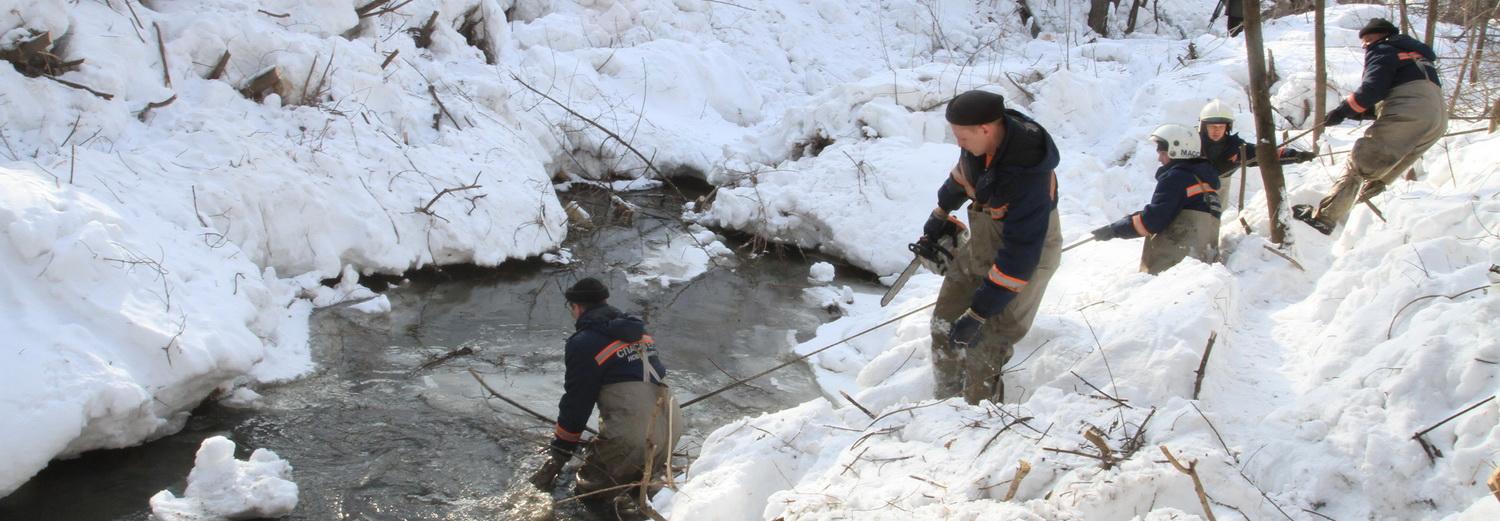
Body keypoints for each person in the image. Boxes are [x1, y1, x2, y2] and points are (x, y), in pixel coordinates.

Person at [917, 89, 1063, 406]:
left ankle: (977, 417)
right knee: (945, 323)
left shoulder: (1027, 177)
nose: (959, 144)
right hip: (985, 243)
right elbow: (961, 177)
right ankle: (944, 404)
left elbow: (1020, 258)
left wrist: (979, 312)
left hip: (1026, 257)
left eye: (962, 137)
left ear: (985, 129)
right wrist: (939, 215)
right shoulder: (978, 147)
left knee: (985, 340)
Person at [530, 277, 682, 518]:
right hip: (669, 431)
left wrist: (561, 448)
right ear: (605, 301)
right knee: (633, 491)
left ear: (577, 307)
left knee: (587, 496)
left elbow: (577, 402)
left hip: (633, 436)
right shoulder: (640, 332)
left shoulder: (584, 342)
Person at [1293, 18, 1447, 235]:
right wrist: (1358, 112)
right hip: (1437, 119)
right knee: (1384, 172)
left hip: (1410, 112)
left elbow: (1372, 90)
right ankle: (1365, 225)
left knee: (1360, 163)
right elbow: (1399, 94)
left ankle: (1324, 219)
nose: (1367, 46)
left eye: (1369, 40)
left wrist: (1342, 111)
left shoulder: (1384, 49)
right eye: (1364, 42)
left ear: (1384, 36)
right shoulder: (1417, 56)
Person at [1091, 124, 1224, 274]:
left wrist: (1114, 230)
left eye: (1162, 153)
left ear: (1177, 150)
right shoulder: (1203, 182)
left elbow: (1152, 220)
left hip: (1175, 267)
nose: (1159, 158)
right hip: (1200, 267)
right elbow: (1166, 210)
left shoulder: (1177, 178)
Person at [1197, 99, 1316, 180]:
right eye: (1212, 126)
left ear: (1227, 127)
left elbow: (1264, 154)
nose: (1216, 130)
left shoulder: (1235, 147)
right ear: (1203, 127)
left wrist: (1295, 155)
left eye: (1221, 127)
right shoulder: (1191, 143)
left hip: (1217, 196)